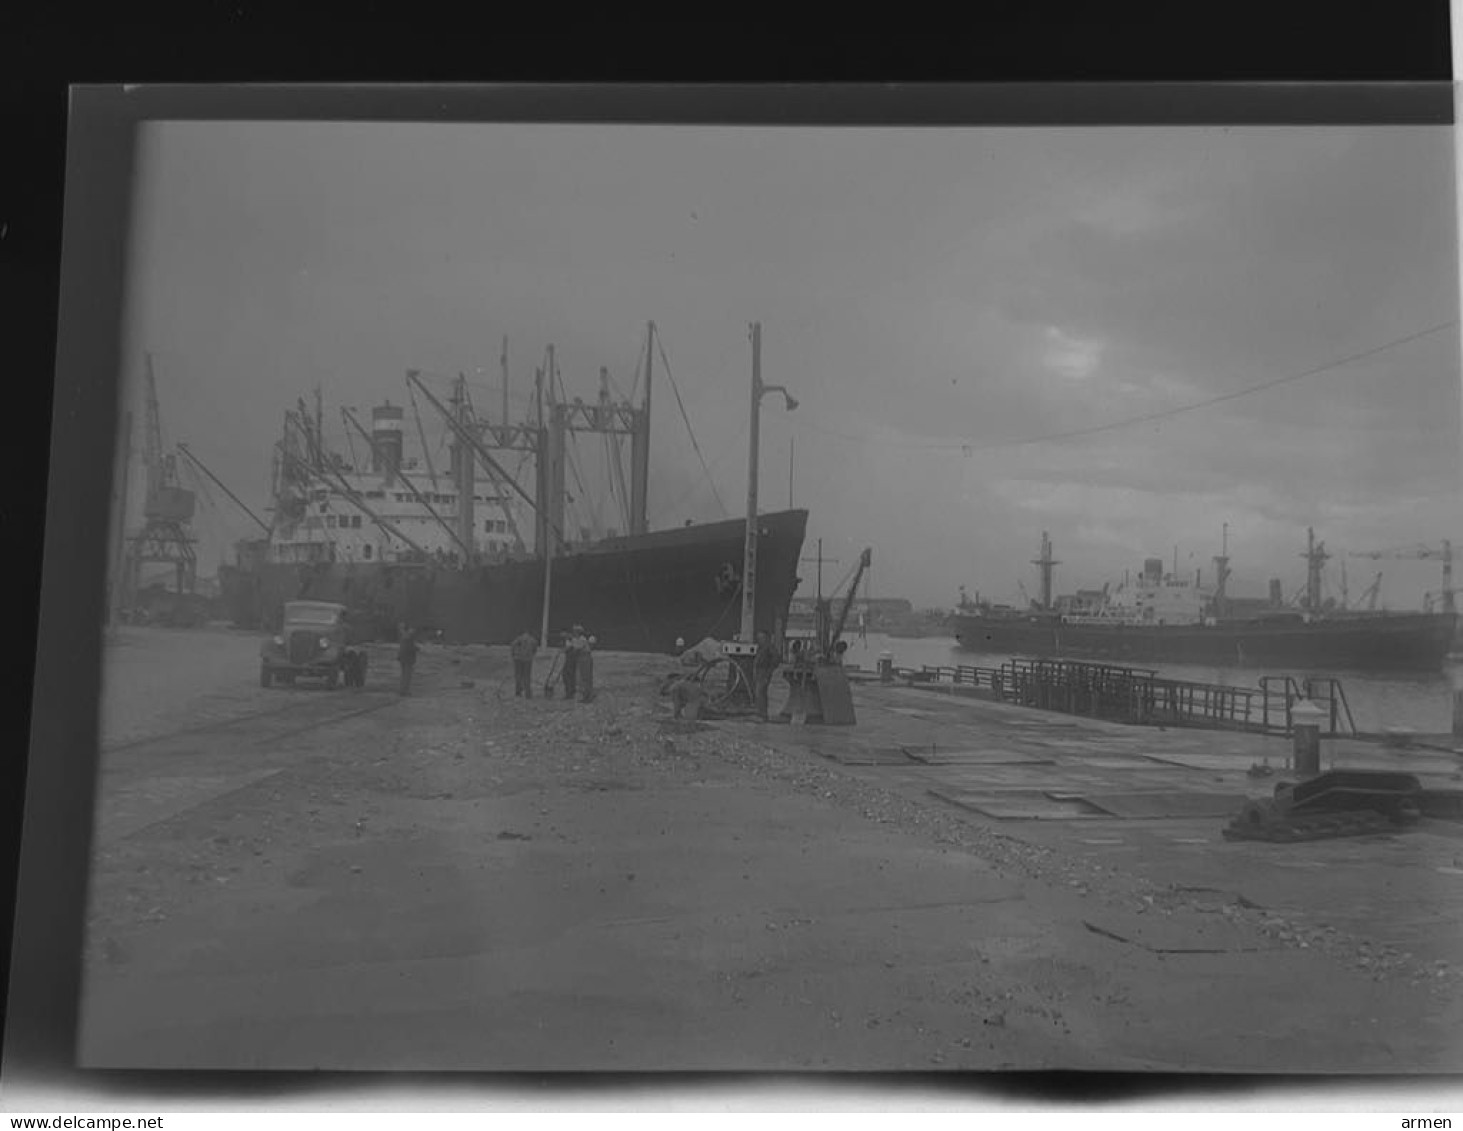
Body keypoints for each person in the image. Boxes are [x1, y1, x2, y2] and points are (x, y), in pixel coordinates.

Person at [753, 628, 783, 721]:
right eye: (758, 637)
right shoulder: (760, 647)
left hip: (764, 672)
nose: (759, 639)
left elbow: (776, 659)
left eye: (761, 637)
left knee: (760, 693)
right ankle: (761, 713)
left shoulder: (769, 646)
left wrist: (769, 671)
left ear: (766, 638)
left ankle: (762, 715)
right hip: (758, 672)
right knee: (759, 693)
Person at [510, 630, 538, 698]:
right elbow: (535, 649)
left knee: (518, 676)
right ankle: (528, 694)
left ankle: (518, 692)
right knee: (527, 677)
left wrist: (513, 655)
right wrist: (531, 655)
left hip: (518, 659)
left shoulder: (517, 639)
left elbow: (512, 647)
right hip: (528, 659)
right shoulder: (532, 640)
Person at [397, 623, 419, 696]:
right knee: (407, 676)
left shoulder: (403, 636)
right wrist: (416, 649)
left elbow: (402, 648)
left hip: (403, 657)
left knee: (404, 675)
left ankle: (402, 690)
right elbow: (409, 648)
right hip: (408, 658)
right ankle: (405, 691)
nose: (413, 630)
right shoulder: (409, 637)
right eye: (412, 629)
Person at [559, 626, 581, 700]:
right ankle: (571, 692)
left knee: (567, 675)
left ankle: (569, 693)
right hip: (573, 659)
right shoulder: (572, 638)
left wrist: (562, 650)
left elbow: (569, 646)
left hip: (570, 659)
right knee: (571, 675)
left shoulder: (569, 638)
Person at [578, 634, 597, 703]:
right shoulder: (583, 641)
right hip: (584, 658)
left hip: (585, 659)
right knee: (585, 679)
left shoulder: (582, 640)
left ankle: (588, 696)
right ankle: (587, 695)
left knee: (586, 679)